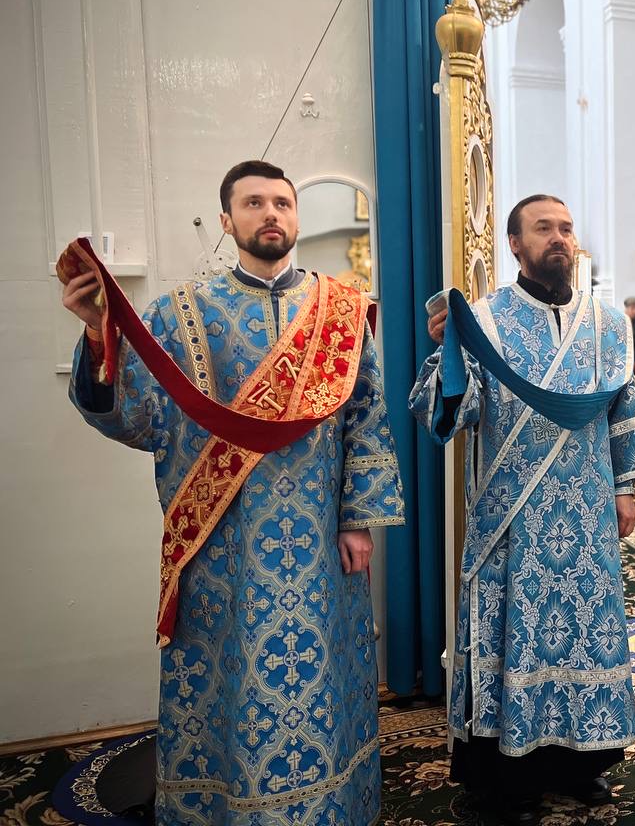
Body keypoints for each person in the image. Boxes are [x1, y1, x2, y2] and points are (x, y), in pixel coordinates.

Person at [61, 160, 404, 825]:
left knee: (324, 675)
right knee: (230, 677)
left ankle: (333, 805)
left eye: (282, 202)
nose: (271, 213)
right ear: (226, 221)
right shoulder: (179, 314)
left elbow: (366, 414)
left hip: (318, 541)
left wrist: (358, 518)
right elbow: (136, 417)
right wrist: (98, 334)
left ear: (296, 217)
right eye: (253, 203)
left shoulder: (341, 310)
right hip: (222, 545)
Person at [410, 194, 635, 825]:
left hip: (586, 513)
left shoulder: (607, 324)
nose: (559, 237)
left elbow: (622, 406)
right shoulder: (485, 322)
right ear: (515, 244)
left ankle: (582, 764)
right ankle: (510, 780)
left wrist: (626, 486)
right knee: (514, 641)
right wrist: (448, 354)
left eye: (566, 228)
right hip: (513, 520)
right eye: (543, 228)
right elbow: (448, 412)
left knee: (584, 639)